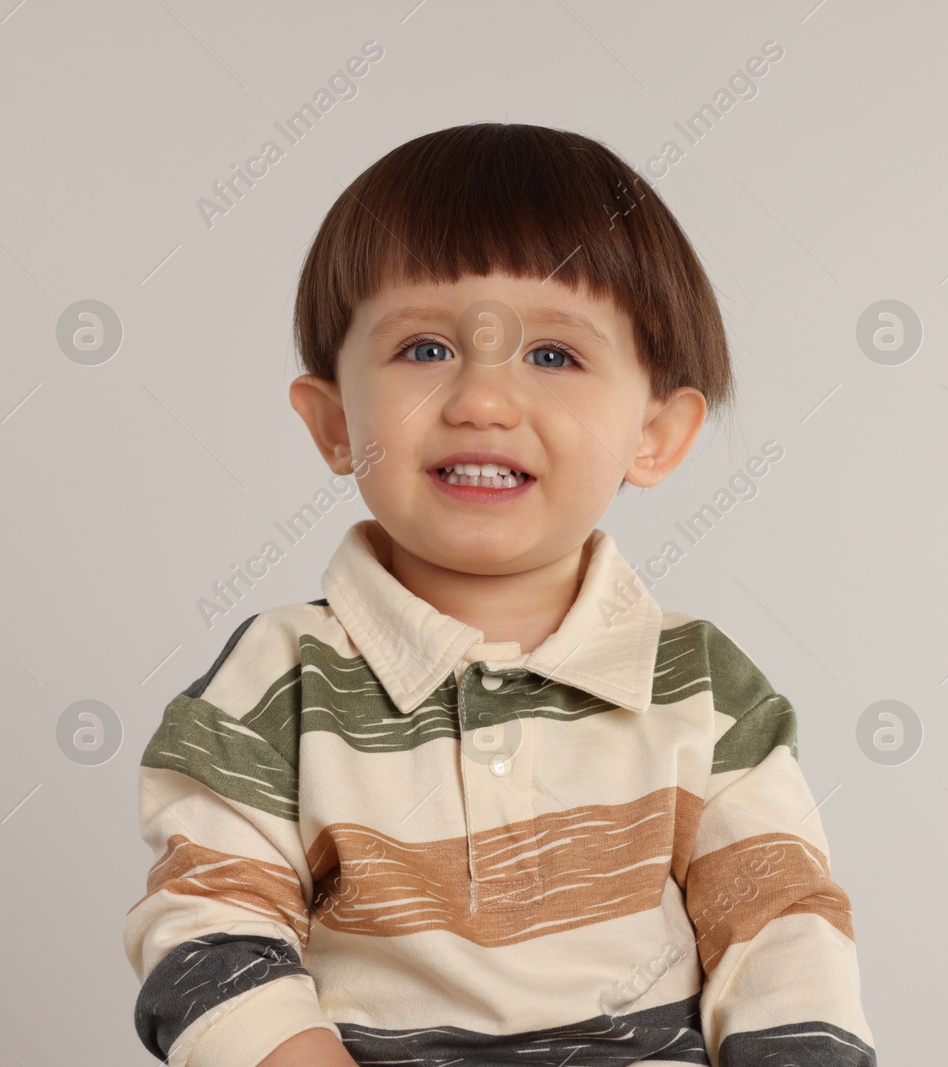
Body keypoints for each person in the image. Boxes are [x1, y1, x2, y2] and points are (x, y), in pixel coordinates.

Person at [122, 122, 876, 1067]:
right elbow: (211, 930)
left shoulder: (699, 684)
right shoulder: (280, 680)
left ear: (656, 433)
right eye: (427, 349)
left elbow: (779, 929)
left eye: (553, 356)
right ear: (332, 423)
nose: (483, 398)